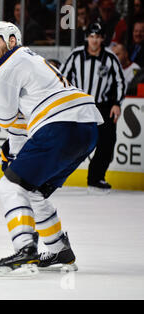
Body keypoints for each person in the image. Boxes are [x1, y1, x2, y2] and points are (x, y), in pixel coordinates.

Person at [0, 21, 103, 277]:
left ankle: (25, 250)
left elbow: (2, 118)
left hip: (60, 125)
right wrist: (15, 154)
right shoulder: (31, 60)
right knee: (32, 191)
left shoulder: (4, 67)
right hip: (87, 126)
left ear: (12, 40)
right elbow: (24, 122)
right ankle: (58, 249)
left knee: (9, 186)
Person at [61, 23, 126, 193]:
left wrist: (117, 103)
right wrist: (66, 101)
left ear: (103, 38)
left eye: (97, 37)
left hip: (102, 107)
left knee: (107, 142)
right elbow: (62, 78)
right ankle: (51, 176)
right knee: (68, 142)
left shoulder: (110, 58)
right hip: (79, 106)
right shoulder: (76, 56)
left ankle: (96, 179)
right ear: (87, 37)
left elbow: (120, 82)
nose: (94, 40)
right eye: (91, 36)